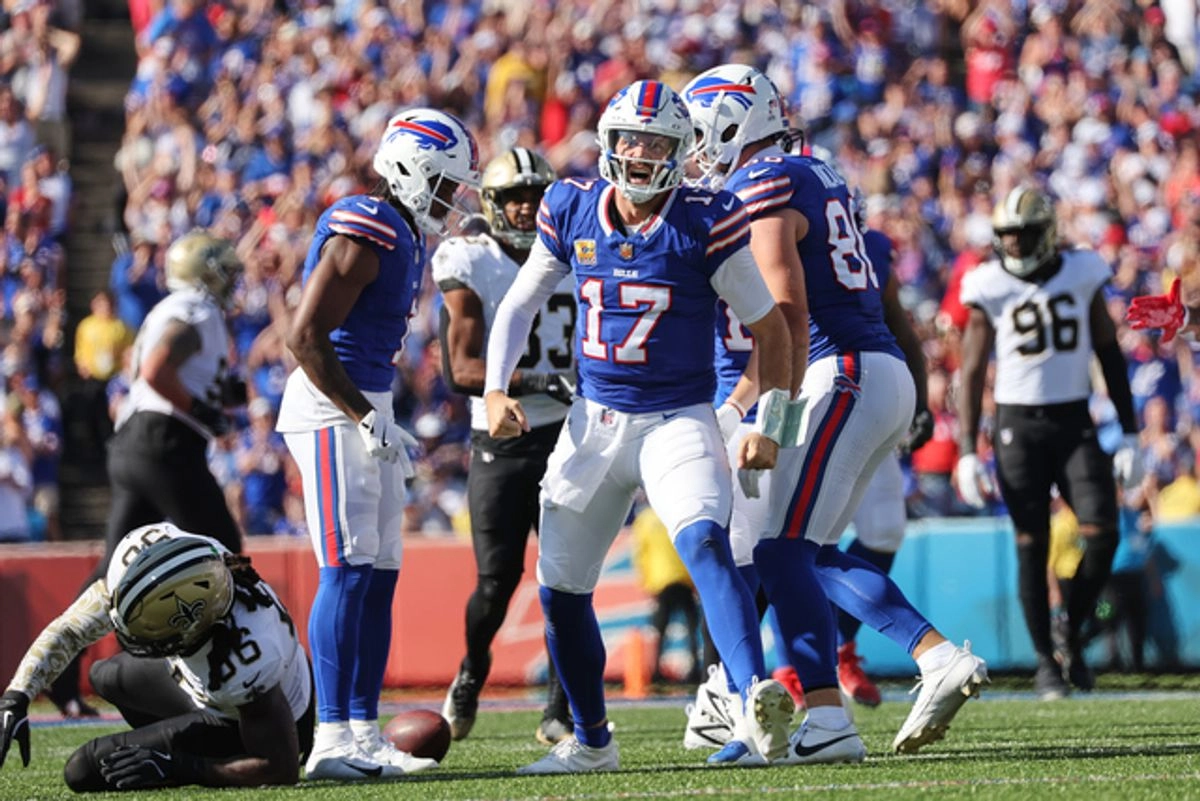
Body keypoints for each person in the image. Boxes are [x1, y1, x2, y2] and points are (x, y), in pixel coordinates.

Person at [484, 79, 796, 775]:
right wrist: (493, 388)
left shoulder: (702, 219)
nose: (640, 152)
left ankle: (752, 708)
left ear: (681, 152)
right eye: (630, 138)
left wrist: (766, 419)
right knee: (559, 585)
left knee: (706, 544)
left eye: (656, 143)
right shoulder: (569, 208)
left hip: (677, 419)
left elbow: (769, 328)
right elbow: (519, 302)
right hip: (594, 422)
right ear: (609, 140)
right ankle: (592, 739)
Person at [682, 64, 985, 763]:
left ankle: (885, 682)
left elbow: (787, 312)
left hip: (841, 369)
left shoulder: (762, 183)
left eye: (703, 133)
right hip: (863, 373)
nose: (698, 149)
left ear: (735, 122)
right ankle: (807, 711)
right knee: (799, 549)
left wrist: (767, 415)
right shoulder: (812, 171)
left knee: (780, 548)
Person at [275, 107, 479, 780]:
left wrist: (375, 410)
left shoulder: (401, 231)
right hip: (334, 406)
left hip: (367, 402)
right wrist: (362, 413)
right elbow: (305, 337)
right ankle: (332, 735)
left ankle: (362, 726)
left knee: (379, 571)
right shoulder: (366, 225)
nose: (450, 198)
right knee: (347, 567)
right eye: (445, 183)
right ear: (413, 170)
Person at [48, 230, 250, 718]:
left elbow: (166, 370)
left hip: (136, 443)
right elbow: (157, 371)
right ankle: (236, 672)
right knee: (224, 552)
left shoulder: (172, 308)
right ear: (205, 273)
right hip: (165, 444)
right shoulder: (195, 311)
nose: (229, 281)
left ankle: (61, 673)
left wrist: (220, 397)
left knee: (111, 572)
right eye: (222, 270)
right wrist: (206, 410)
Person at [957, 185, 1141, 699]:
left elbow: (1109, 352)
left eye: (1024, 235)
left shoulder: (1083, 272)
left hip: (1074, 419)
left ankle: (1071, 631)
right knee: (1030, 545)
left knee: (1103, 533)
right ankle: (1047, 662)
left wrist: (1129, 433)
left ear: (1048, 233)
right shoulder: (987, 283)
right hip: (1018, 425)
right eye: (1007, 236)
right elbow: (971, 371)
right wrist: (969, 448)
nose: (1014, 245)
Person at [433, 147, 574, 746]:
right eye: (513, 195)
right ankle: (471, 671)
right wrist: (540, 380)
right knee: (496, 580)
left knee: (569, 576)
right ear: (491, 204)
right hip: (504, 435)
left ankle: (561, 706)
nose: (524, 206)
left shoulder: (576, 252)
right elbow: (460, 370)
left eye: (534, 194)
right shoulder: (473, 259)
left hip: (571, 434)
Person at [0, 524, 313, 791]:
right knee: (105, 675)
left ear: (189, 626)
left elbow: (280, 769)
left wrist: (180, 767)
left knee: (82, 769)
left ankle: (197, 752)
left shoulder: (248, 656)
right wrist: (17, 695)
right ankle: (177, 739)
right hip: (205, 688)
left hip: (254, 719)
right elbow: (69, 631)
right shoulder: (192, 563)